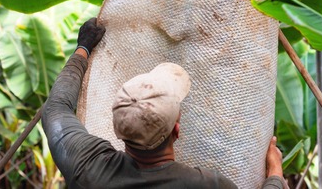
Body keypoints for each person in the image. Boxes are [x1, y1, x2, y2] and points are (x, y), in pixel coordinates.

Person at [42, 18, 286, 188]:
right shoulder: (207, 185)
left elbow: (56, 108)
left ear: (119, 129)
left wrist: (83, 47)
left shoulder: (87, 166)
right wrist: (275, 173)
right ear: (177, 132)